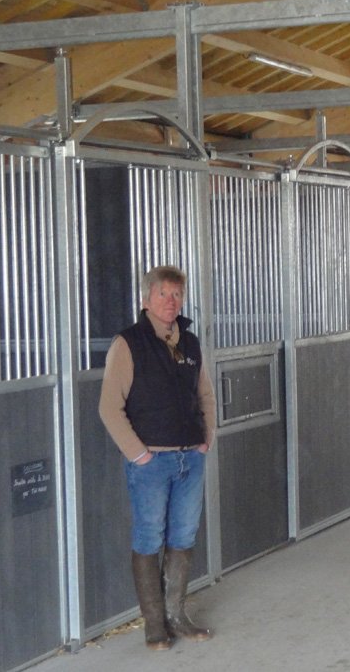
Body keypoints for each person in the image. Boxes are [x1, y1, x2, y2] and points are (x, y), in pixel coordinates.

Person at [99, 265, 216, 650]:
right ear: (146, 299)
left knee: (184, 534)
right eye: (163, 293)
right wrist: (139, 454)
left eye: (177, 294)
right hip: (152, 461)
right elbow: (109, 408)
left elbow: (205, 395)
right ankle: (154, 624)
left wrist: (206, 438)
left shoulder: (190, 343)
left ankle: (176, 615)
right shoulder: (128, 344)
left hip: (190, 458)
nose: (171, 301)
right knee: (149, 535)